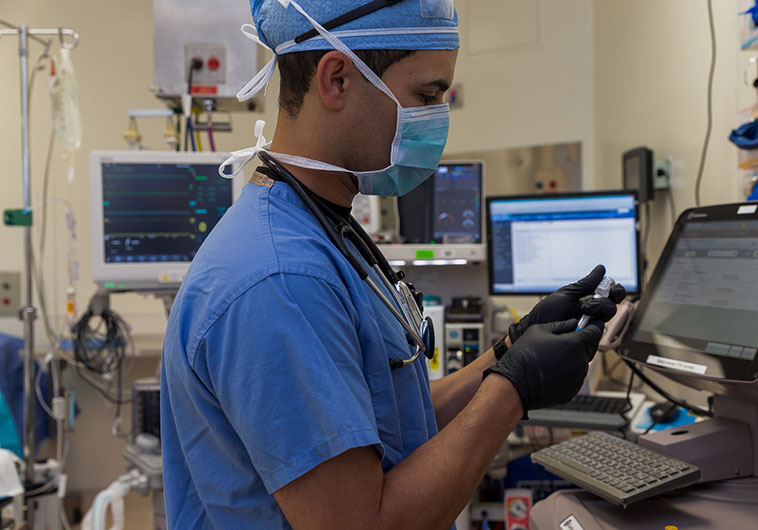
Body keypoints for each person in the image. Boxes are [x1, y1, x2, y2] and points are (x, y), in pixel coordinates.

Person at [160, 1, 626, 528]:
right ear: (336, 79)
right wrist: (513, 391)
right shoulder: (281, 281)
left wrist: (512, 348)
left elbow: (394, 423)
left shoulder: (321, 229)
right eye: (426, 96)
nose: (436, 119)